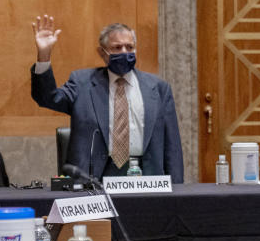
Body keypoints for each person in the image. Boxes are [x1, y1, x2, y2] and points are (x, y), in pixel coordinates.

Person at [29, 16, 184, 181]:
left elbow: (172, 147)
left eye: (129, 47)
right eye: (117, 47)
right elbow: (47, 98)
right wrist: (44, 56)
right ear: (102, 52)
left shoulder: (159, 88)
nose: (125, 52)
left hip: (147, 176)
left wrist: (177, 191)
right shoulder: (82, 83)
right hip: (95, 178)